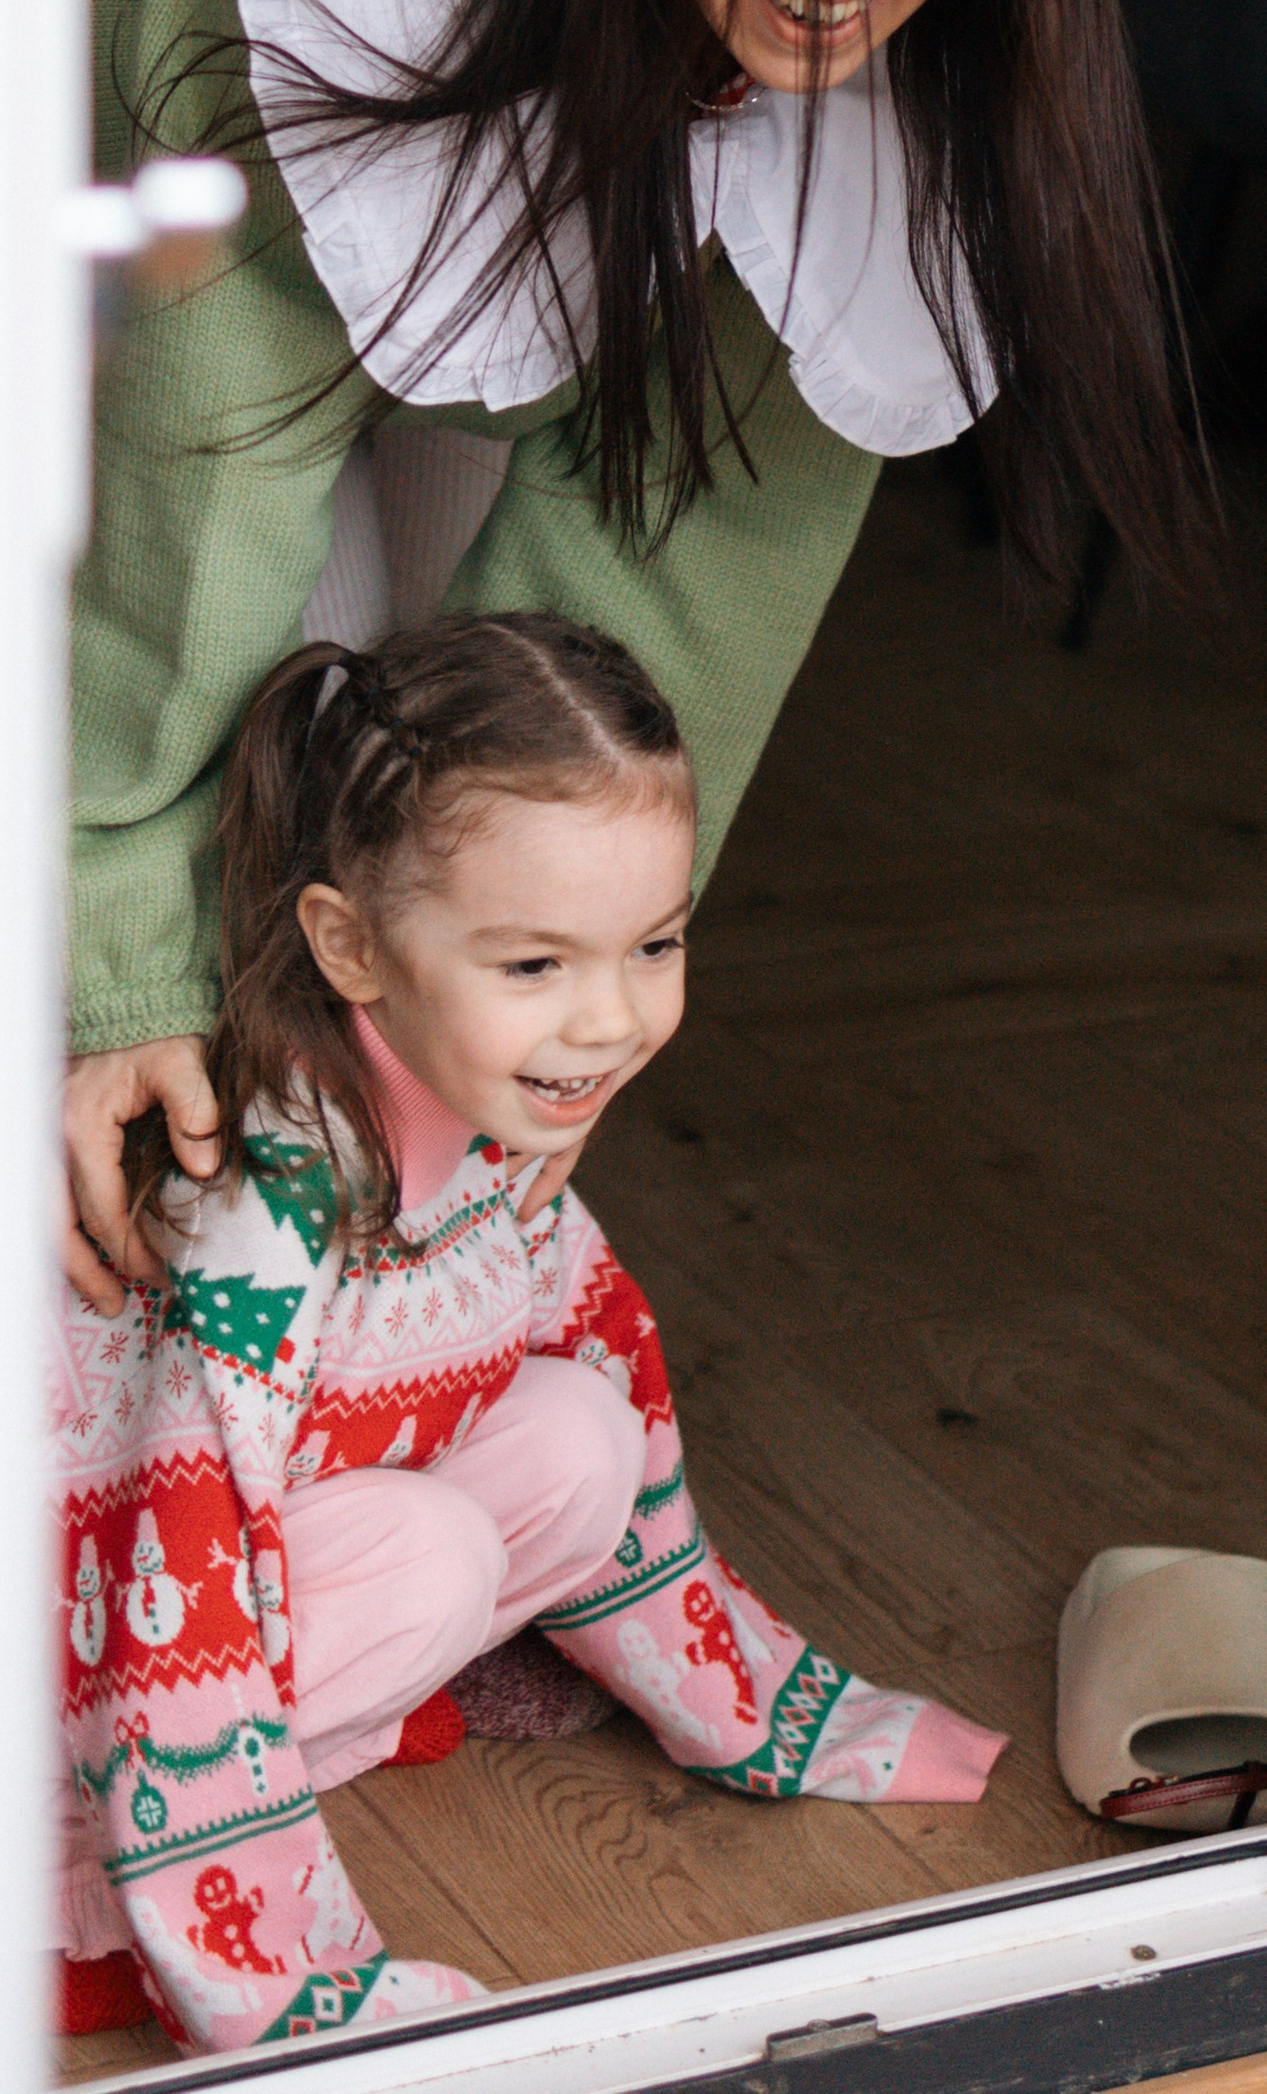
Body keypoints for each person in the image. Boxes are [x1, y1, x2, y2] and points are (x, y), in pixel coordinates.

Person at [67, 0, 1204, 1306]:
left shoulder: (930, 70)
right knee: (251, 691)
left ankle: (304, 1288)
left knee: (444, 786)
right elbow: (195, 499)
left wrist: (536, 1001)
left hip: (497, 170)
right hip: (73, 118)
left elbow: (676, 580)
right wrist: (112, 980)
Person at [56, 609, 1004, 2052]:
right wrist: (263, 1948)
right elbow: (171, 1574)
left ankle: (329, 1711)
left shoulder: (498, 1132)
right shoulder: (273, 1209)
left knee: (585, 1428)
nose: (608, 1023)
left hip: (272, 1547)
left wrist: (773, 1716)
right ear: (351, 947)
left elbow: (626, 1442)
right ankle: (81, 1841)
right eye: (535, 967)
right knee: (436, 1558)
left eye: (655, 944)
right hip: (80, 1631)